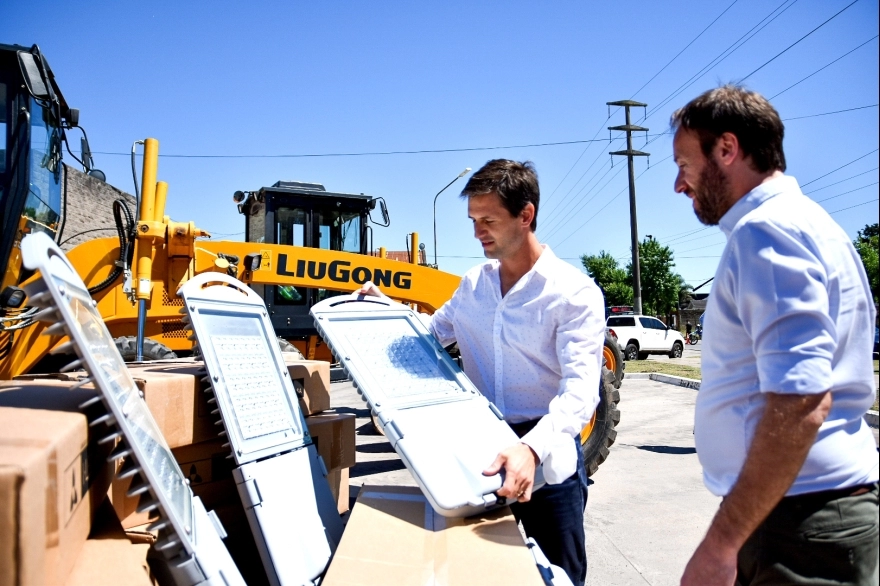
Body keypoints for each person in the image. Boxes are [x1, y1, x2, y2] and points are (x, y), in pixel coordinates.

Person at [360, 159, 605, 585]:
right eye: (473, 220)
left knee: (559, 578)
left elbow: (580, 395)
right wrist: (387, 311)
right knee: (483, 574)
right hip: (480, 457)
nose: (477, 232)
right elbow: (431, 335)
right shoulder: (474, 284)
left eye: (488, 220)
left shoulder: (573, 293)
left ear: (525, 215)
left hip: (547, 464)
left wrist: (529, 449)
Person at [671, 85, 879, 586]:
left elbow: (801, 400)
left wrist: (720, 545)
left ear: (726, 149)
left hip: (799, 527)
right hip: (803, 514)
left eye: (683, 163)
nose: (679, 185)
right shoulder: (810, 224)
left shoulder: (766, 232)